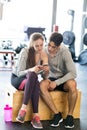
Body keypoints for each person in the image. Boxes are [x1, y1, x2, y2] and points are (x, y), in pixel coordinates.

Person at [11, 32, 49, 129]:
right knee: (33, 76)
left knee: (34, 78)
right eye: (37, 46)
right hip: (18, 79)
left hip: (31, 80)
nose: (40, 48)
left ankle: (23, 111)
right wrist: (32, 69)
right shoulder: (25, 52)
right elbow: (19, 73)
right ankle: (35, 116)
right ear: (32, 44)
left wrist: (45, 67)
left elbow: (45, 77)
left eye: (41, 45)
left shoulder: (43, 54)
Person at [40, 32, 78, 129]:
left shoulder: (65, 52)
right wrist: (45, 75)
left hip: (64, 79)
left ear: (59, 46)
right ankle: (57, 114)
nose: (50, 49)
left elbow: (73, 73)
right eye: (49, 45)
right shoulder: (44, 51)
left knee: (73, 84)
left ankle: (69, 116)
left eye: (53, 47)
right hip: (51, 78)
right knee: (41, 85)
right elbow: (41, 72)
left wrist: (56, 82)